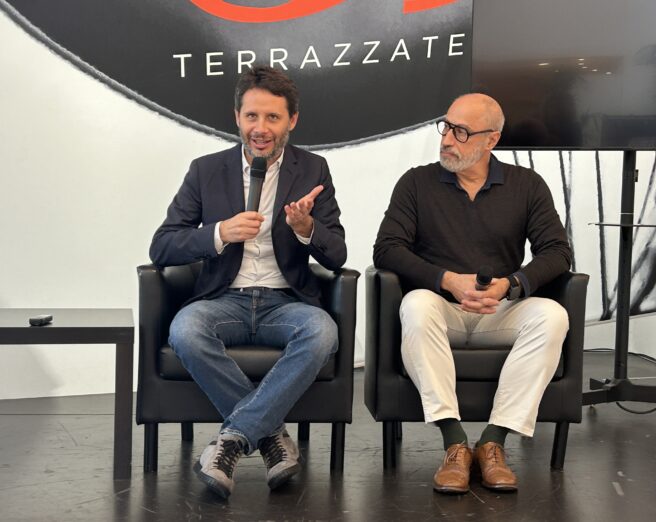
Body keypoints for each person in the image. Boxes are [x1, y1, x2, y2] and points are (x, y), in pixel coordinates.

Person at [149, 65, 346, 499]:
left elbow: (338, 255)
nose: (261, 129)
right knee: (185, 329)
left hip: (286, 301)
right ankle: (272, 436)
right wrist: (219, 233)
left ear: (291, 120)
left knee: (322, 332)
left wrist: (306, 228)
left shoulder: (314, 169)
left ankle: (232, 440)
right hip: (223, 299)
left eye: (273, 118)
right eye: (252, 116)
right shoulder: (206, 170)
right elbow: (162, 247)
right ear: (237, 116)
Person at [373, 93, 572, 494]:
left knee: (553, 316)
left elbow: (557, 252)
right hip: (441, 309)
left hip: (498, 311)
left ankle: (494, 441)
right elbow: (387, 247)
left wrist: (511, 285)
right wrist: (447, 279)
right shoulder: (416, 182)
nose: (447, 139)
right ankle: (454, 444)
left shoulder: (526, 185)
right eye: (446, 127)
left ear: (491, 140)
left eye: (461, 132)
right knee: (414, 304)